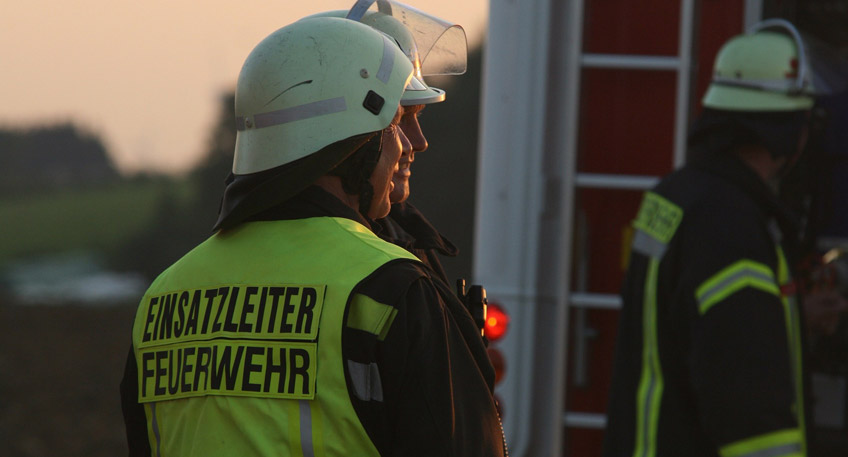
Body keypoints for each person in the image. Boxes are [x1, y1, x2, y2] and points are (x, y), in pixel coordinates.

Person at [120, 15, 504, 457]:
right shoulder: (394, 289)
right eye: (394, 124)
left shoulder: (162, 298)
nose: (408, 144)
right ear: (352, 140)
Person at [603, 19, 844, 457]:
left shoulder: (676, 195)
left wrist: (782, 314)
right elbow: (748, 410)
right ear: (791, 128)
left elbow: (696, 322)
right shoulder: (732, 226)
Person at [310, 1, 464, 284]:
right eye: (396, 120)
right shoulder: (385, 275)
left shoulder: (405, 243)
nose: (418, 142)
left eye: (417, 116)